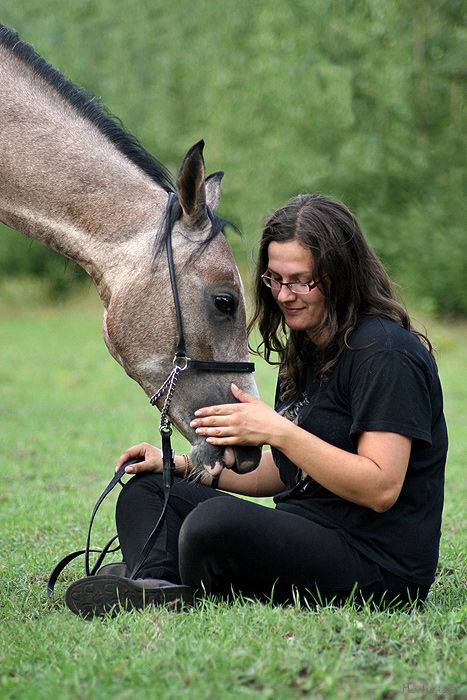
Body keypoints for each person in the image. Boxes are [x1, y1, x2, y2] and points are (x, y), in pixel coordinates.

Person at [65, 194, 448, 618]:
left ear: (340, 275)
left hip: (376, 565)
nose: (285, 295)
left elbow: (381, 488)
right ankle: (156, 584)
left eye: (302, 280)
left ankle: (169, 570)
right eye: (274, 279)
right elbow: (284, 473)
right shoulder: (307, 349)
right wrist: (186, 466)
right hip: (307, 531)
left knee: (214, 525)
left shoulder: (385, 353)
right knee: (149, 490)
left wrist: (277, 430)